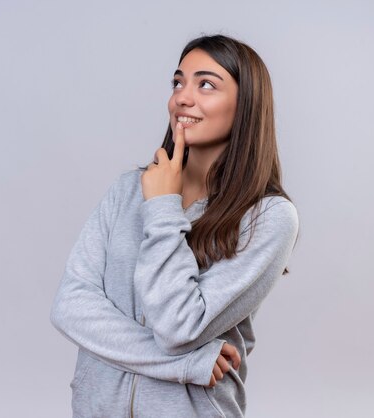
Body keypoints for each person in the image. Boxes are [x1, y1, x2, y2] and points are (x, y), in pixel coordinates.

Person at [50, 34, 300, 417]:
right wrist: (186, 365)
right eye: (178, 82)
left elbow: (179, 328)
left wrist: (163, 207)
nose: (182, 97)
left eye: (206, 85)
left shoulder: (268, 218)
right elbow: (70, 306)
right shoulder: (128, 191)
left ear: (246, 105)